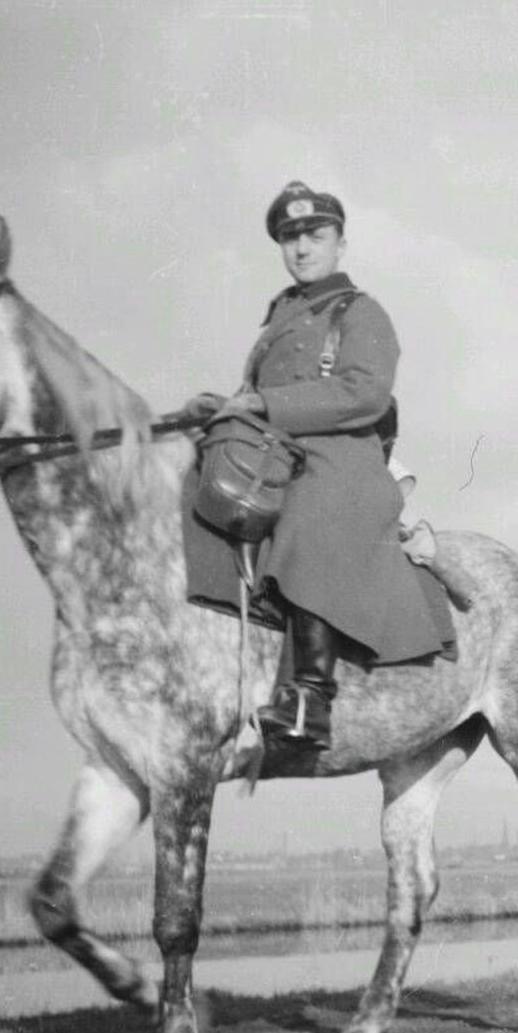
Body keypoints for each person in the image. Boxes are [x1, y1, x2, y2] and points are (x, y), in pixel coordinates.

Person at [182, 181, 452, 751]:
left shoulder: (361, 312)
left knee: (307, 509)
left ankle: (309, 697)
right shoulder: (282, 316)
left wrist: (264, 404)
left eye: (315, 235)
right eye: (290, 238)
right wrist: (222, 409)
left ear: (339, 243)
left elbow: (365, 394)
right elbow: (258, 395)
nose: (302, 248)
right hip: (280, 449)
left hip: (342, 461)